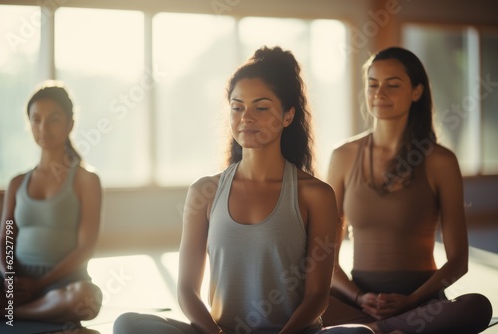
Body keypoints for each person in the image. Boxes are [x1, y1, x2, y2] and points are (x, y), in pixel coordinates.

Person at [113, 46, 372, 334]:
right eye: (237, 107)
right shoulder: (205, 191)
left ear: (287, 116)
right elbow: (187, 290)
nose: (246, 117)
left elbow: (316, 297)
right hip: (223, 332)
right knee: (128, 324)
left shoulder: (315, 194)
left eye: (261, 108)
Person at [321, 46, 493, 333]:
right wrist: (359, 296)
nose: (379, 93)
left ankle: (374, 329)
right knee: (293, 300)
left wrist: (411, 300)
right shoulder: (343, 156)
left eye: (393, 84)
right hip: (358, 300)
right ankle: (387, 327)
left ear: (416, 92)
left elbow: (459, 261)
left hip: (420, 300)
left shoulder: (440, 161)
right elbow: (323, 255)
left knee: (477, 305)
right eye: (373, 84)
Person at [0, 82, 102, 324]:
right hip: (18, 279)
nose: (43, 127)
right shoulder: (17, 183)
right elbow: (5, 238)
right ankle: (32, 308)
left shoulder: (87, 180)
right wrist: (9, 276)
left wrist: (41, 284)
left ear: (70, 124)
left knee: (87, 298)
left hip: (64, 283)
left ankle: (13, 312)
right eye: (36, 119)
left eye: (53, 119)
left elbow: (87, 247)